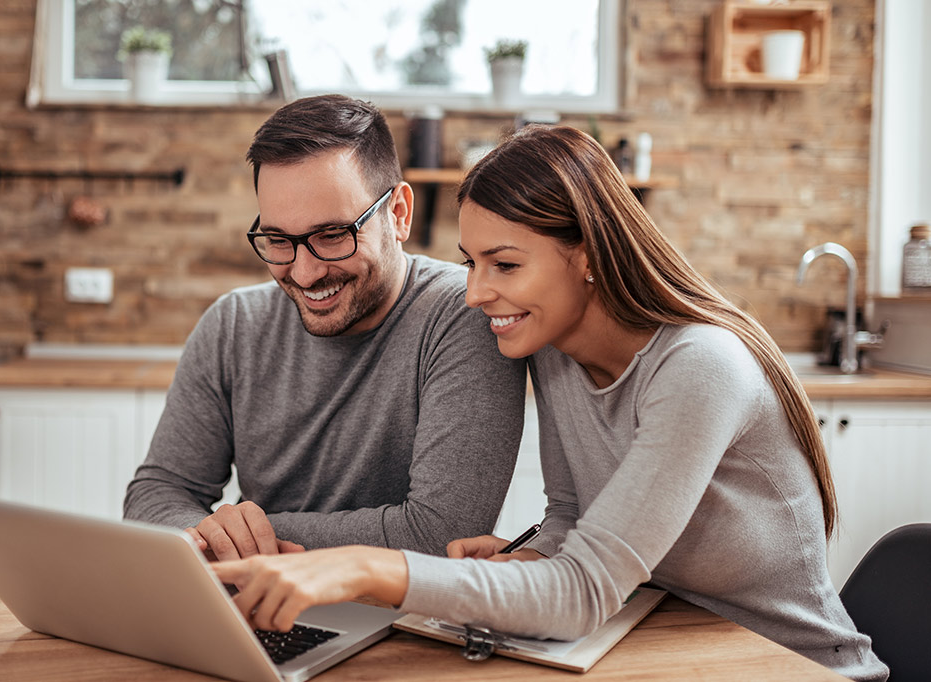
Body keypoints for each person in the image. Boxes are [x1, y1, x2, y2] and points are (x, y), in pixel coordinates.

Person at [211, 124, 888, 681]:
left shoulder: (699, 367)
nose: (475, 294)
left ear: (586, 255)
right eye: (470, 262)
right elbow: (571, 519)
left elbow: (586, 590)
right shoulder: (556, 351)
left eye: (504, 265)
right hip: (665, 650)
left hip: (789, 667)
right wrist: (529, 556)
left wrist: (367, 565)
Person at [123, 94, 527, 560]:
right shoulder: (233, 324)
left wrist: (243, 537)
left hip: (395, 616)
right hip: (258, 601)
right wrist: (219, 535)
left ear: (397, 213)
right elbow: (156, 495)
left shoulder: (465, 313)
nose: (306, 273)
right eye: (278, 240)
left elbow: (441, 533)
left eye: (332, 235)